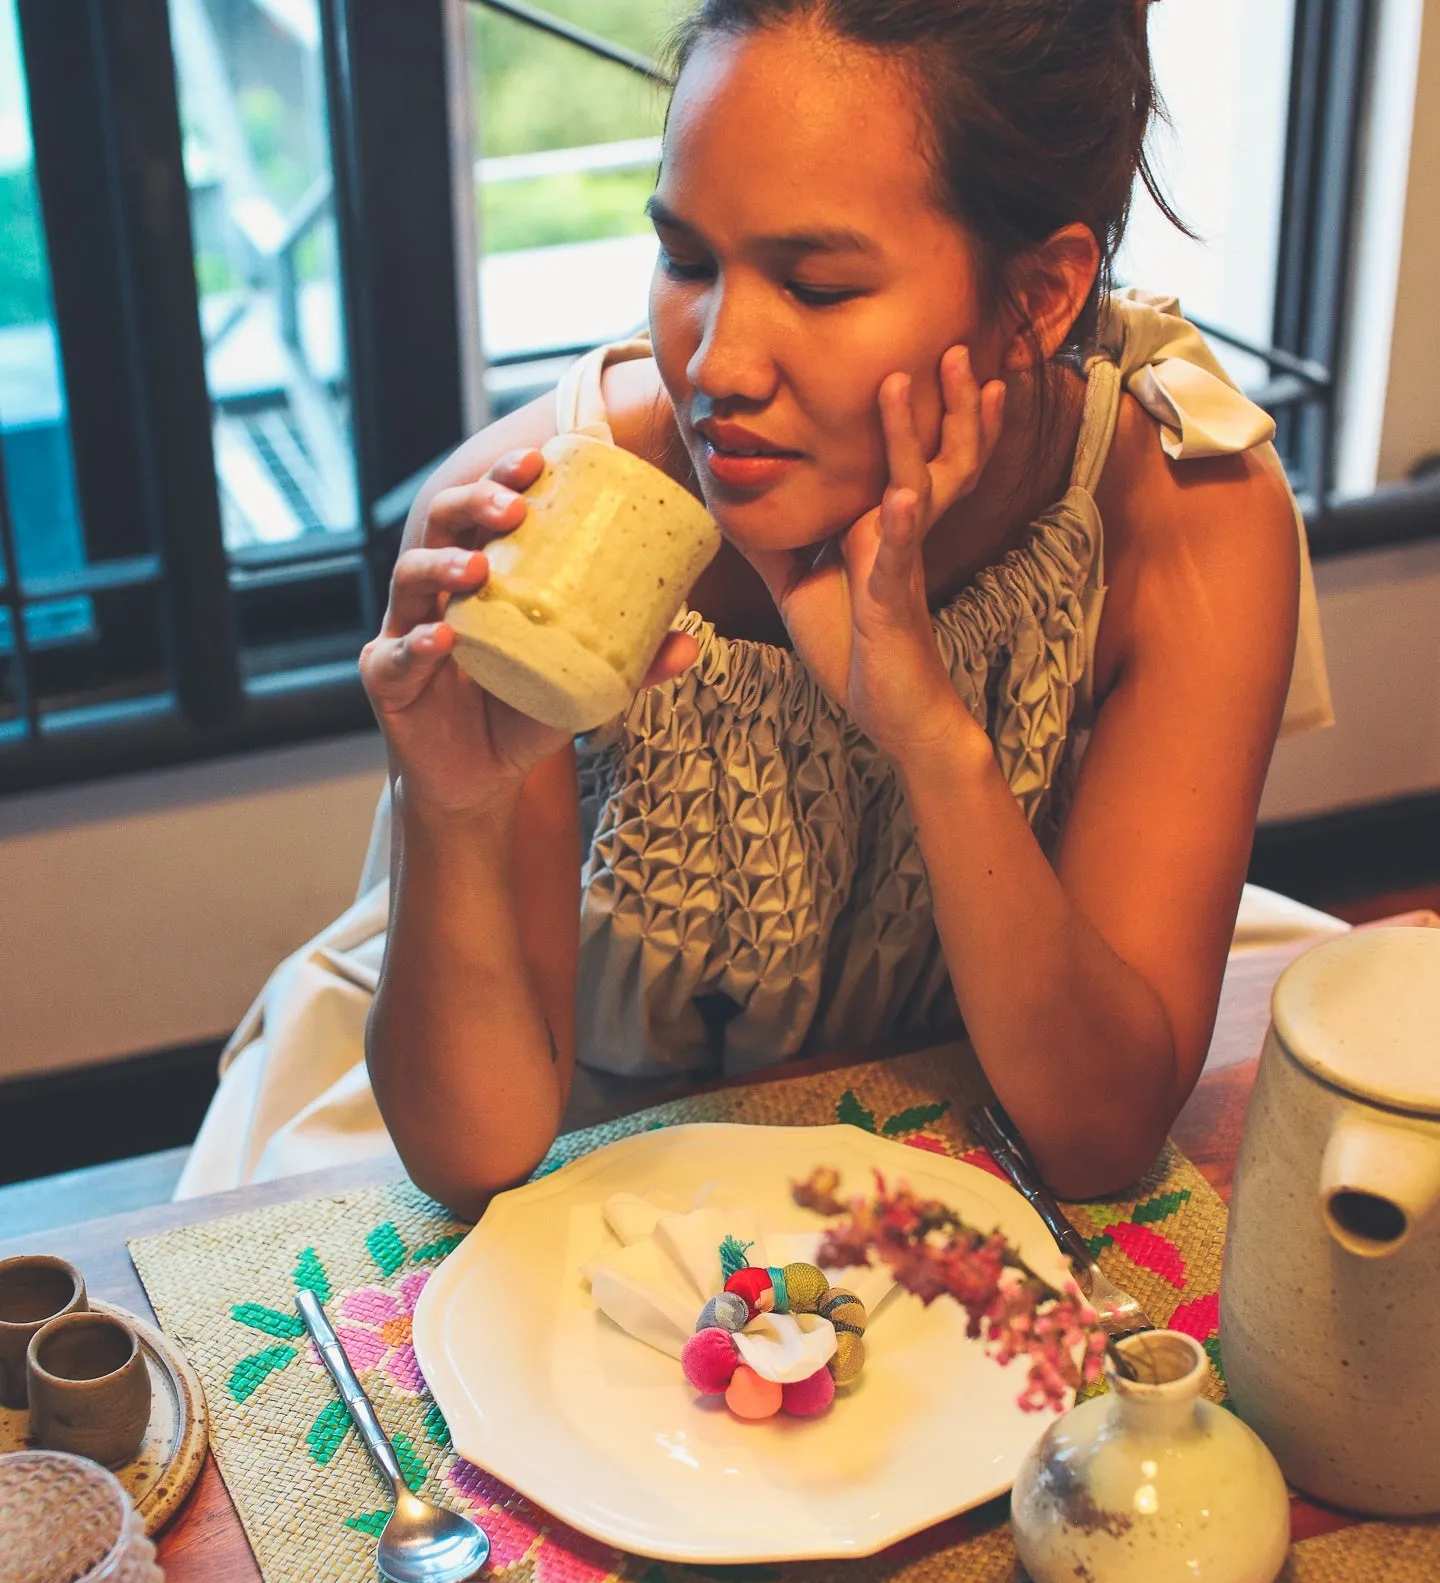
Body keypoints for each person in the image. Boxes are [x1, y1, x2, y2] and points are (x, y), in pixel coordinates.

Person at [178, 0, 1341, 1213]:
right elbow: (478, 1159)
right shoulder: (520, 517)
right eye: (687, 262)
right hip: (583, 1159)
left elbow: (1100, 1139)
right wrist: (455, 807)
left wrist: (934, 743)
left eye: (820, 285)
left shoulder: (1184, 515)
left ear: (1042, 295)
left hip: (961, 1125)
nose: (719, 366)